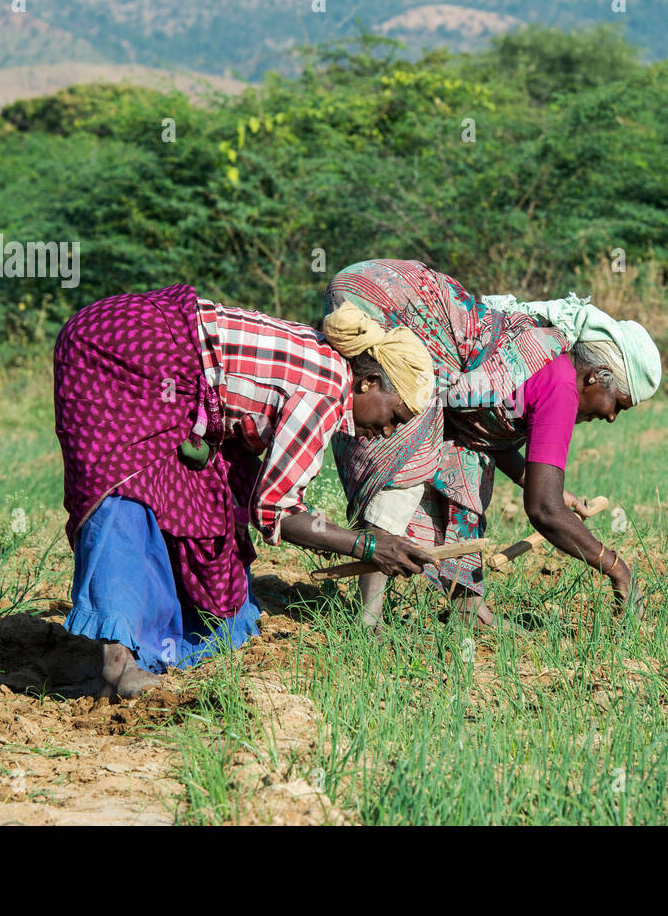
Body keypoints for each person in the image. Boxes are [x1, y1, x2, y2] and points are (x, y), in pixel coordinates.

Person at [53, 283, 435, 697]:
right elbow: (276, 511)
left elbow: (257, 491)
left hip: (162, 359)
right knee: (126, 486)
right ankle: (118, 663)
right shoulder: (325, 391)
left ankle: (163, 641)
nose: (386, 431)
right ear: (369, 383)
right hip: (125, 347)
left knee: (207, 496)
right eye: (394, 415)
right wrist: (367, 546)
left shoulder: (326, 368)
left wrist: (365, 541)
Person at [324, 260, 662, 632]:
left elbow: (479, 429)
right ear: (598, 376)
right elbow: (544, 511)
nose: (612, 417)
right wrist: (617, 569)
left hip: (370, 283)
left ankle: (467, 610)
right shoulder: (562, 385)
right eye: (618, 404)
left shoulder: (545, 363)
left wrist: (536, 482)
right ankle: (368, 624)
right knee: (406, 444)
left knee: (464, 460)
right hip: (393, 299)